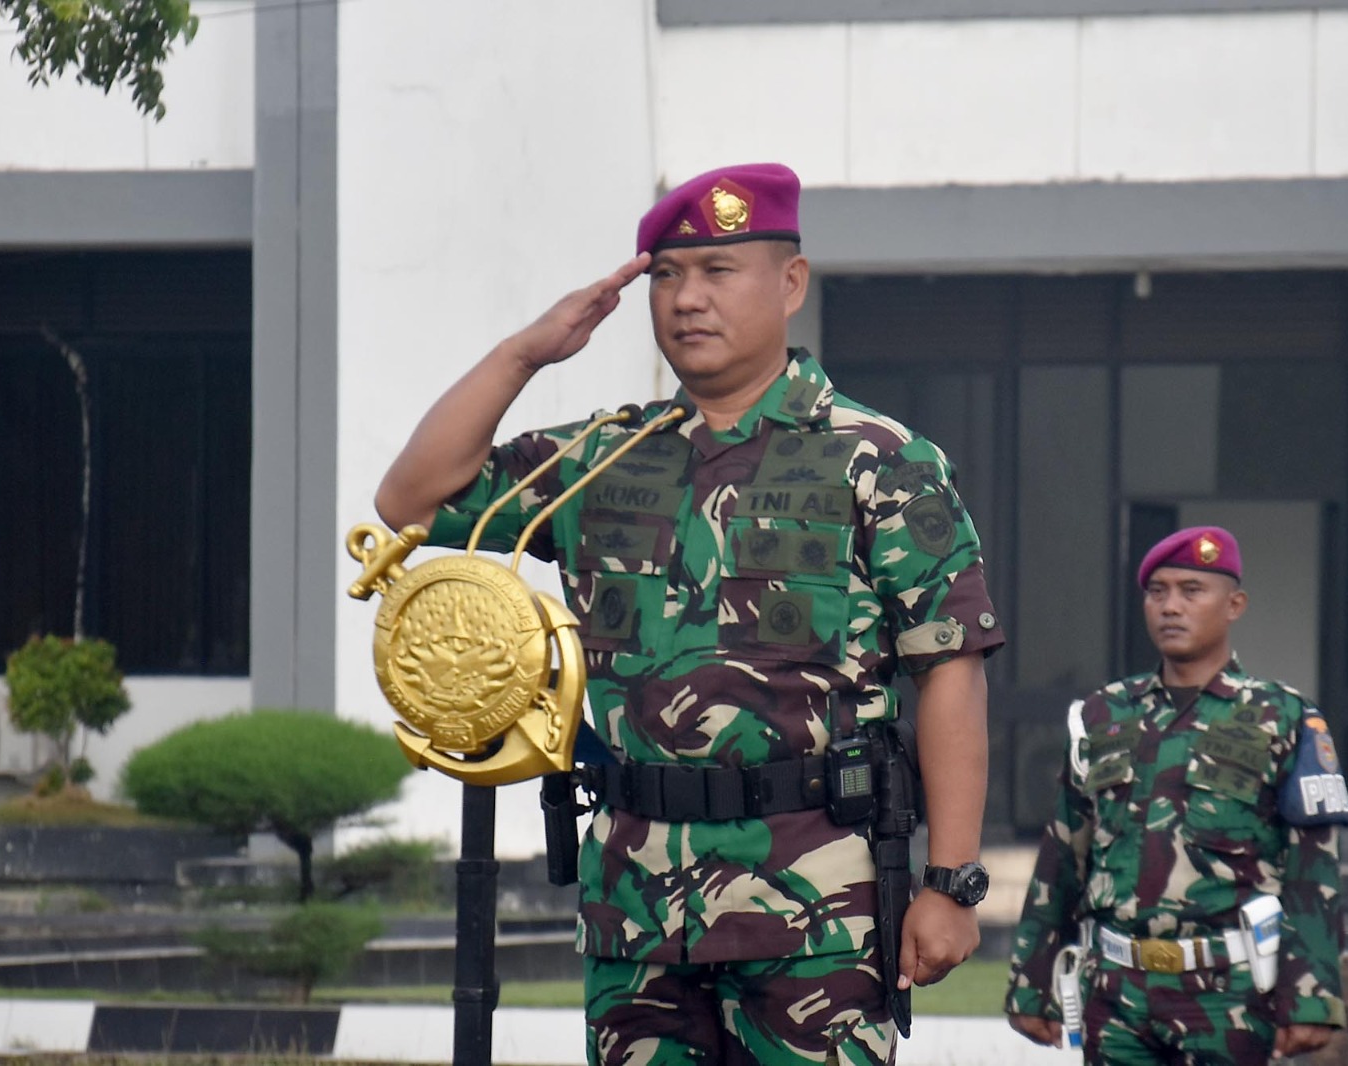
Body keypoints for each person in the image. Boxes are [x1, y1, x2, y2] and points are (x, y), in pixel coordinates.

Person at [375, 162, 1006, 1064]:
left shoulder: (879, 460)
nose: (686, 299)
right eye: (666, 275)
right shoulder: (603, 460)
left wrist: (950, 882)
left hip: (815, 909)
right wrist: (525, 354)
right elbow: (410, 500)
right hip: (636, 910)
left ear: (790, 284)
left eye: (718, 271)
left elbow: (949, 669)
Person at [1004, 526, 1348, 1064]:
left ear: (1234, 605)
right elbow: (1063, 853)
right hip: (1115, 991)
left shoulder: (1283, 716)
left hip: (1231, 994)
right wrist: (1031, 980)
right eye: (1157, 591)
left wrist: (1311, 994)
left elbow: (1313, 870)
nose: (1171, 607)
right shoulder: (1103, 714)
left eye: (1192, 591)